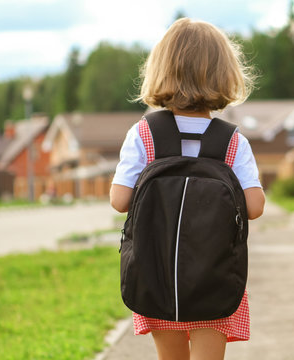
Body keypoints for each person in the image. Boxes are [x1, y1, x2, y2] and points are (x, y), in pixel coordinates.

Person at [109, 18, 265, 360]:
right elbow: (254, 206)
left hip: (157, 274)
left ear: (160, 70)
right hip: (214, 276)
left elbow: (119, 200)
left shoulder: (143, 134)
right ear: (225, 74)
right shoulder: (232, 141)